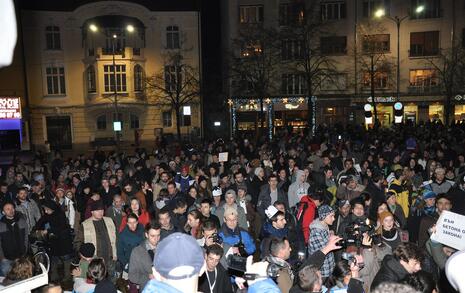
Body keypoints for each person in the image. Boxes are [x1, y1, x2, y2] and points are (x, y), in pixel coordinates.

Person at [35, 200, 74, 283]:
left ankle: (67, 276)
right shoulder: (47, 215)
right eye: (44, 209)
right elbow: (41, 221)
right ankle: (54, 276)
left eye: (47, 209)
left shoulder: (60, 214)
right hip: (54, 241)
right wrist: (35, 229)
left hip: (63, 240)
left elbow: (61, 226)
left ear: (52, 208)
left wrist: (48, 231)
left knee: (66, 259)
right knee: (53, 259)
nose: (45, 211)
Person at [75, 201, 117, 277]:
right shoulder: (85, 225)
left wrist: (115, 253)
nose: (100, 212)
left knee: (111, 279)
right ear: (92, 212)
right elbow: (78, 242)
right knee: (96, 280)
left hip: (110, 258)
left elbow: (116, 237)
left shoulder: (109, 220)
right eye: (97, 211)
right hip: (95, 260)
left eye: (102, 210)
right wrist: (83, 256)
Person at [128, 222, 161, 290]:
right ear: (146, 235)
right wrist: (148, 277)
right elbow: (132, 276)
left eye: (158, 235)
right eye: (153, 236)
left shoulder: (164, 248)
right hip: (147, 288)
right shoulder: (137, 252)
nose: (156, 239)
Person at [308, 205, 336, 279]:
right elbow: (323, 252)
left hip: (329, 268)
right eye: (331, 216)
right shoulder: (316, 232)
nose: (334, 219)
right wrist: (332, 240)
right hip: (322, 272)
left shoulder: (324, 226)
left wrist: (329, 234)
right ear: (323, 217)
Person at [0, 202, 28, 276]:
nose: (11, 210)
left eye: (12, 208)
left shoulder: (21, 221)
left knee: (23, 278)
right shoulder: (1, 225)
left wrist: (25, 251)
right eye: (8, 209)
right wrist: (2, 257)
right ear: (3, 212)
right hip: (7, 259)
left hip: (21, 257)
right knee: (9, 282)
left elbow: (26, 238)